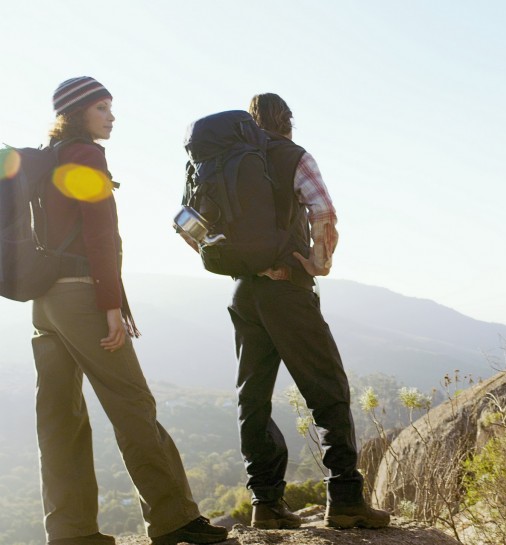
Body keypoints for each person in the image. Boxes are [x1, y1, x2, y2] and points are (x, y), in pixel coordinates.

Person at [32, 77, 228, 545]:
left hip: (45, 301)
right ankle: (174, 518)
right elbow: (101, 231)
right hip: (83, 296)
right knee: (132, 405)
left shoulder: (45, 158)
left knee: (60, 417)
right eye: (102, 108)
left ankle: (70, 531)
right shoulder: (86, 154)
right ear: (79, 112)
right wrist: (112, 305)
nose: (111, 117)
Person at [199, 93, 389, 529]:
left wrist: (245, 264)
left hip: (243, 292)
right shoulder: (292, 156)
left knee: (254, 397)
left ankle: (265, 504)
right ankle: (344, 499)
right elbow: (323, 211)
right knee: (328, 388)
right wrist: (317, 264)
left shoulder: (223, 162)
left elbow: (189, 224)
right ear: (287, 121)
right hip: (287, 289)